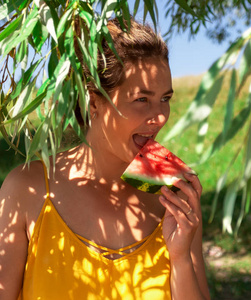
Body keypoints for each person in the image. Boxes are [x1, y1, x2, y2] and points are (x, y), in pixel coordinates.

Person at [0, 18, 210, 300]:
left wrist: (182, 259)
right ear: (95, 101)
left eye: (165, 98)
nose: (160, 117)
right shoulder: (27, 189)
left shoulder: (173, 197)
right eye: (142, 100)